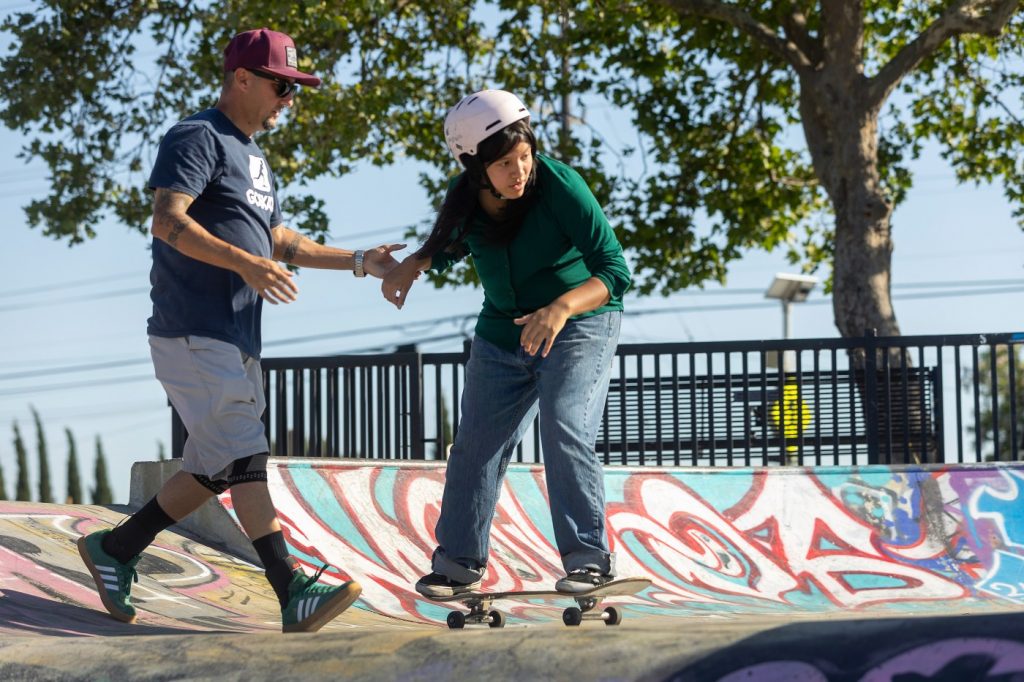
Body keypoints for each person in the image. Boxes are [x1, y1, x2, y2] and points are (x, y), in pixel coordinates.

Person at [77, 27, 404, 633]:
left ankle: (117, 549)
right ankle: (290, 590)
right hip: (192, 331)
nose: (289, 99)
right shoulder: (197, 136)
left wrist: (361, 261)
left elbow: (279, 240)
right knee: (247, 455)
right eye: (283, 86)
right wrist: (244, 262)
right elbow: (167, 221)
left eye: (294, 89)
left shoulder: (254, 157)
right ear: (244, 78)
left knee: (213, 467)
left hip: (236, 338)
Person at [382, 89, 631, 597]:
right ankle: (457, 563)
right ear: (476, 170)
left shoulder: (561, 186)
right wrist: (416, 263)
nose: (519, 172)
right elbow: (454, 245)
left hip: (579, 324)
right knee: (475, 444)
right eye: (503, 165)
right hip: (502, 334)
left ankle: (588, 559)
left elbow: (615, 270)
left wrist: (560, 307)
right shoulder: (465, 198)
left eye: (524, 157)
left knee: (564, 423)